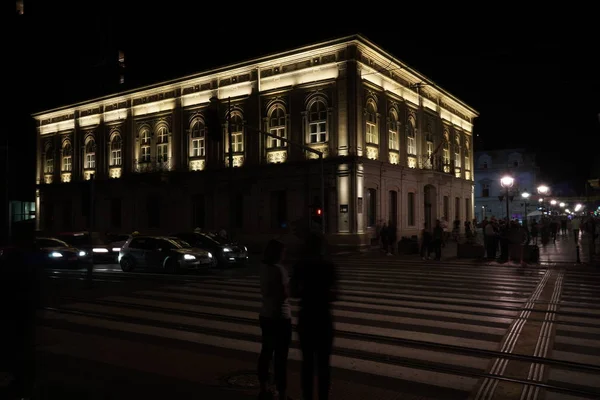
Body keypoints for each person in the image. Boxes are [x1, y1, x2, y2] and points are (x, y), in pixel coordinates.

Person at [290, 233, 338, 400]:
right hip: (324, 317)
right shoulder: (328, 265)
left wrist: (306, 291)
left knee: (307, 364)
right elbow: (335, 294)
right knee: (324, 364)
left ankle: (307, 396)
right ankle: (323, 396)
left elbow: (293, 291)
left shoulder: (300, 265)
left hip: (307, 317)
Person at [257, 240, 292, 400]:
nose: (284, 255)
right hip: (280, 317)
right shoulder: (279, 270)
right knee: (281, 356)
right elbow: (284, 294)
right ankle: (281, 391)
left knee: (266, 351)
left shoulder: (263, 268)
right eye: (283, 252)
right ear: (278, 253)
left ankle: (263, 387)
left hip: (265, 315)